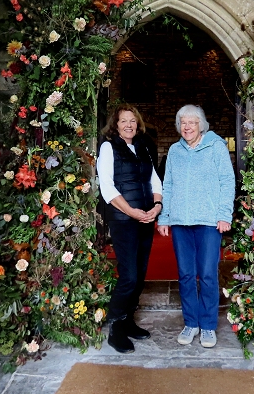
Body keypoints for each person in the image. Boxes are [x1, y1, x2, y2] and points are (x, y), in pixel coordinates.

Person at [157, 104, 235, 349]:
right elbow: (167, 184)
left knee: (209, 274)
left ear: (201, 125)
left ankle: (209, 325)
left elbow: (227, 180)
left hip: (209, 222)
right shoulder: (174, 151)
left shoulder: (216, 147)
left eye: (192, 122)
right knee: (186, 275)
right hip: (181, 222)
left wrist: (224, 215)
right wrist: (164, 217)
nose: (187, 127)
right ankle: (191, 322)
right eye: (183, 123)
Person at [97, 103, 163, 353]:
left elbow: (154, 178)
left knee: (141, 274)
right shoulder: (108, 147)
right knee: (129, 276)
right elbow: (108, 187)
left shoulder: (144, 146)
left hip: (146, 217)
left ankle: (128, 320)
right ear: (115, 124)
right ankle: (115, 327)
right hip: (124, 221)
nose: (129, 125)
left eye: (133, 121)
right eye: (124, 121)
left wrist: (156, 206)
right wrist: (131, 212)